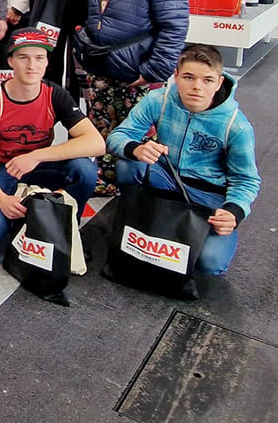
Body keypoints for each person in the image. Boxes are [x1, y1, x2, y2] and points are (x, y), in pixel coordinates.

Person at [108, 44, 260, 275]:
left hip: (207, 196)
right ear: (176, 76)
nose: (197, 87)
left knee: (210, 263)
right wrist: (136, 148)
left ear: (219, 83)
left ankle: (173, 226)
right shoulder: (158, 100)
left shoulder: (236, 126)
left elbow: (246, 180)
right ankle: (137, 215)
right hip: (165, 178)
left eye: (207, 80)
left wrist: (233, 212)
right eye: (189, 77)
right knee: (128, 165)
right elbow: (118, 136)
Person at [78, 0, 189, 194]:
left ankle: (137, 188)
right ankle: (103, 179)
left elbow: (174, 28)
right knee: (100, 126)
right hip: (101, 66)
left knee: (137, 133)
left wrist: (152, 72)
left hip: (138, 72)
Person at [0, 28, 105, 243]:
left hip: (39, 165)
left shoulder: (55, 94)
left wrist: (37, 156)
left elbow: (96, 143)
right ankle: (26, 214)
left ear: (46, 62)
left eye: (39, 58)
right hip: (2, 169)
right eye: (23, 57)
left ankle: (68, 224)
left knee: (84, 169)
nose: (32, 65)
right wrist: (1, 199)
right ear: (11, 61)